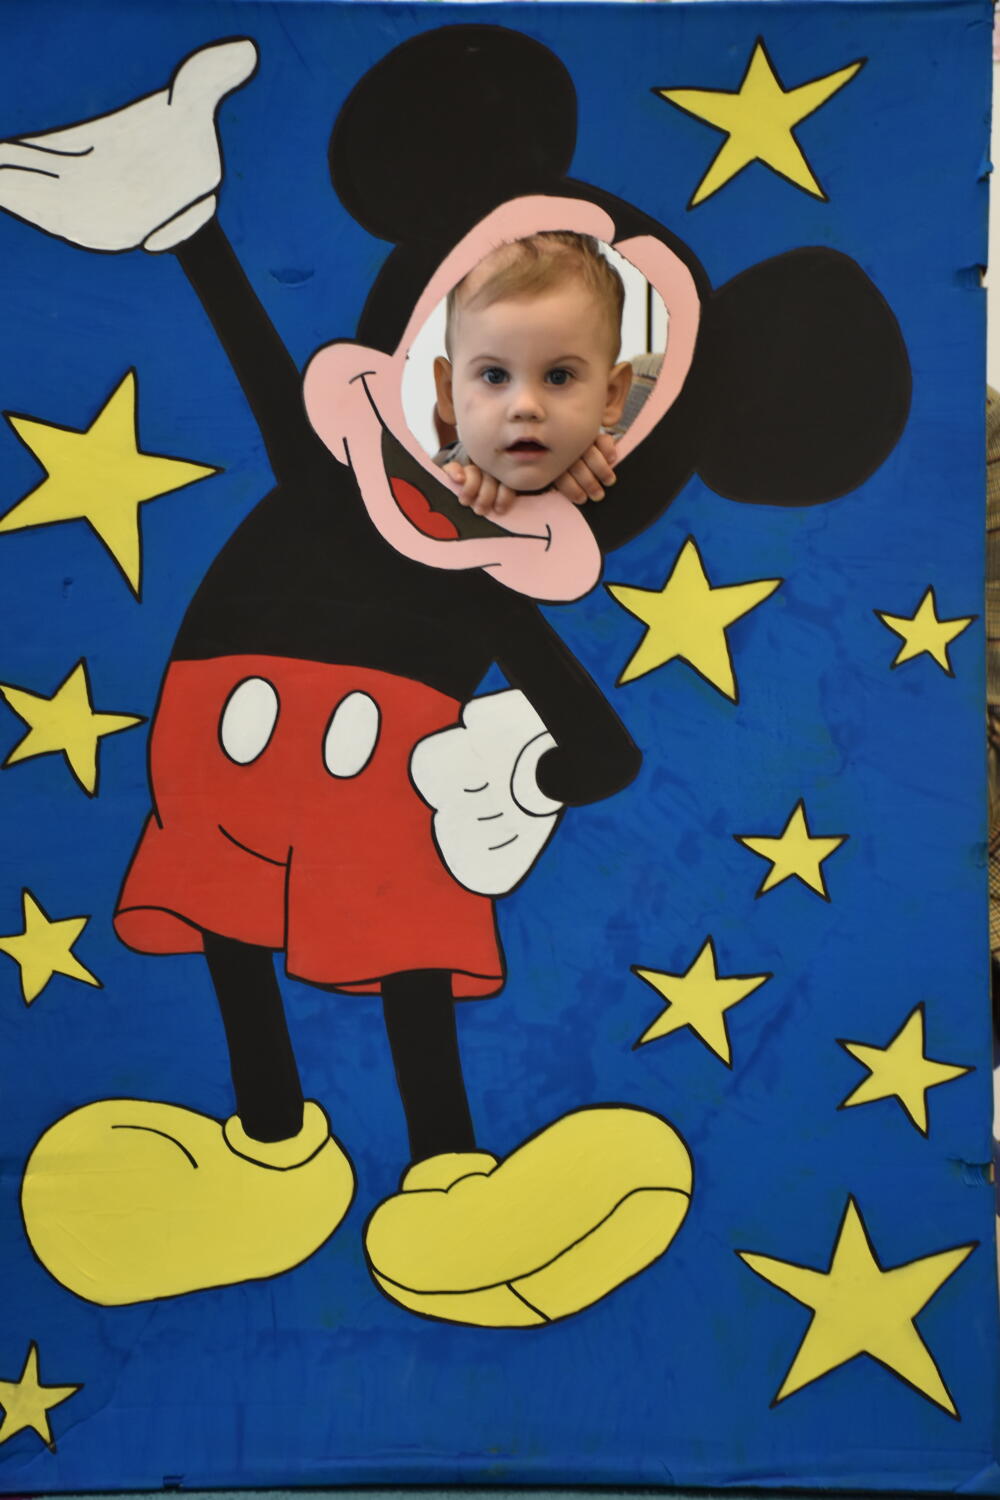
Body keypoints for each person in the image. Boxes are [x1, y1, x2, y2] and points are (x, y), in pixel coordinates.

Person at [433, 231, 633, 515]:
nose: (525, 407)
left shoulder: (629, 468)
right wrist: (452, 494)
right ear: (448, 393)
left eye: (558, 376)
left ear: (610, 396)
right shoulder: (433, 478)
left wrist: (612, 472)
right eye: (494, 375)